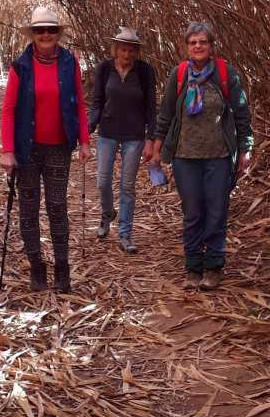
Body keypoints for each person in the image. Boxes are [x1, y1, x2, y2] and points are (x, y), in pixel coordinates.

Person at [150, 21, 253, 290]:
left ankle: (214, 267)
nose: (198, 46)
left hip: (218, 156)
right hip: (185, 156)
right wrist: (158, 148)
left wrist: (246, 148)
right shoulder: (179, 74)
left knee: (217, 211)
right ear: (187, 46)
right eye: (193, 42)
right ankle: (193, 267)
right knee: (193, 212)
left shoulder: (225, 74)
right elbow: (167, 113)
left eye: (203, 42)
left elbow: (242, 113)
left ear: (211, 46)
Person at [0, 6, 90, 292]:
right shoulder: (21, 66)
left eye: (51, 30)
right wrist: (7, 149)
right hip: (26, 149)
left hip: (59, 147)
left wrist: (85, 141)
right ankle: (37, 267)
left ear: (58, 33)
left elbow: (79, 103)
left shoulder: (69, 62)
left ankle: (62, 269)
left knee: (57, 206)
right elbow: (8, 110)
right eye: (40, 30)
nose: (46, 35)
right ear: (34, 34)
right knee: (28, 209)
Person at [88, 26, 157, 254]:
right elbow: (97, 102)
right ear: (115, 49)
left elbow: (150, 109)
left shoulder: (145, 71)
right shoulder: (105, 69)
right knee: (102, 181)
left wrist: (150, 139)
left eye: (130, 50)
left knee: (127, 186)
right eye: (122, 50)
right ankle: (107, 213)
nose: (126, 55)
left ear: (136, 52)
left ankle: (125, 234)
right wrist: (86, 130)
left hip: (134, 135)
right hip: (107, 131)